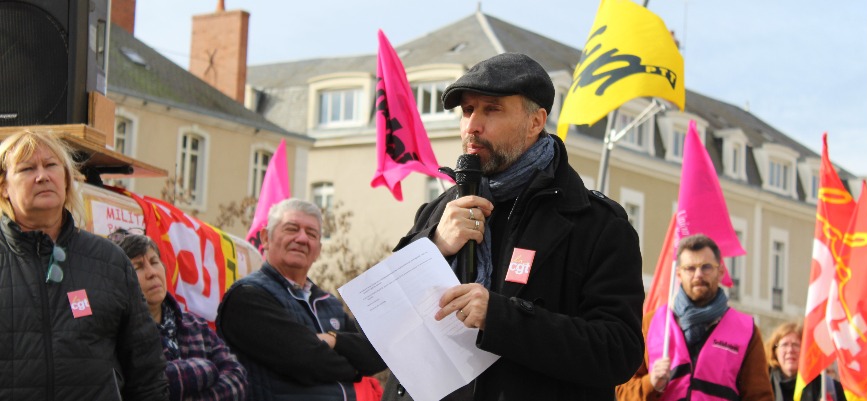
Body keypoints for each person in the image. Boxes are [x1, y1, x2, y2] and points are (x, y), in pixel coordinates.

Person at [383, 52, 645, 401]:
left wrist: (501, 318)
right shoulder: (439, 212)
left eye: (491, 110)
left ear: (535, 122)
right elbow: (383, 321)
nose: (472, 126)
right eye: (467, 110)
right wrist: (435, 246)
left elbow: (618, 350)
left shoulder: (597, 225)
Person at [0, 130, 168, 400]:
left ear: (67, 179)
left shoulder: (110, 261)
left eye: (51, 165)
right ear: (4, 187)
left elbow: (147, 374)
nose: (42, 176)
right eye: (27, 168)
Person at [216, 198, 387, 400]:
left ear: (318, 250)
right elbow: (306, 360)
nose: (302, 238)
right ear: (266, 238)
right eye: (292, 229)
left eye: (311, 234)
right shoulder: (247, 296)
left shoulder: (328, 303)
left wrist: (333, 339)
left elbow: (380, 351)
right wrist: (357, 368)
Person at [616, 233, 772, 400]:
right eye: (690, 268)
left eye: (706, 267)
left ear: (720, 272)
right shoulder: (651, 323)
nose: (698, 274)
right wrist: (651, 383)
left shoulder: (745, 330)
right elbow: (622, 390)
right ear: (678, 274)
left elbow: (760, 396)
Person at [109, 229, 248, 400]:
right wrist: (206, 368)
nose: (152, 273)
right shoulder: (118, 335)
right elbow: (141, 385)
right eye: (137, 267)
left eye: (154, 262)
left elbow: (237, 378)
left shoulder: (196, 326)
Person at [765, 321, 846, 401]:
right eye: (784, 344)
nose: (790, 350)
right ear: (775, 351)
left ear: (806, 351)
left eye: (795, 345)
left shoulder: (826, 387)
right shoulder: (763, 385)